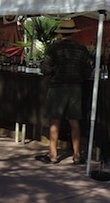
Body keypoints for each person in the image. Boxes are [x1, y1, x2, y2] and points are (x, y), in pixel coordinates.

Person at [38, 19, 92, 164]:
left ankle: (53, 155)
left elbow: (45, 70)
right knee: (74, 122)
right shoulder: (82, 49)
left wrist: (56, 69)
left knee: (55, 121)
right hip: (75, 88)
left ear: (61, 33)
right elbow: (88, 72)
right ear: (73, 33)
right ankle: (76, 155)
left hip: (57, 88)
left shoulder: (54, 49)